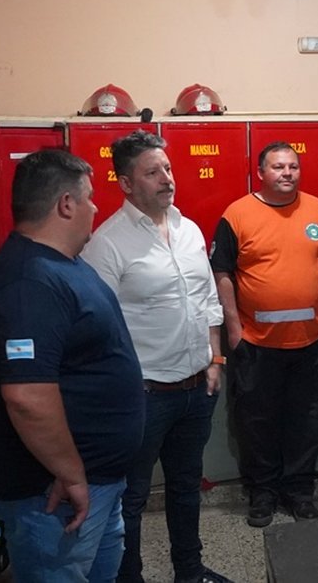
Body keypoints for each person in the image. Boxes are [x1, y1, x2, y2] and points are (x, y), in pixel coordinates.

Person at [0, 149, 144, 583]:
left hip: (96, 482)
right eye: (88, 198)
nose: (95, 207)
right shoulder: (30, 281)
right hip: (55, 494)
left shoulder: (61, 265)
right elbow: (27, 395)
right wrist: (71, 474)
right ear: (65, 204)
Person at [80, 132, 232, 583]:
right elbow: (97, 330)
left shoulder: (188, 229)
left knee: (187, 489)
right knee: (132, 499)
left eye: (167, 169)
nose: (167, 179)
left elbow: (207, 299)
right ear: (126, 183)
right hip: (143, 396)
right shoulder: (107, 244)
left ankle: (189, 571)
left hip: (195, 389)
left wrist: (215, 359)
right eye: (152, 172)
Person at [210, 141, 318, 527]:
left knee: (309, 419)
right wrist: (234, 329)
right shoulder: (237, 214)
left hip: (314, 342)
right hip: (256, 344)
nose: (287, 173)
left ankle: (299, 491)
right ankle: (264, 492)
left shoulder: (317, 209)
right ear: (261, 173)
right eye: (278, 167)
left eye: (293, 167)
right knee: (257, 422)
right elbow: (222, 272)